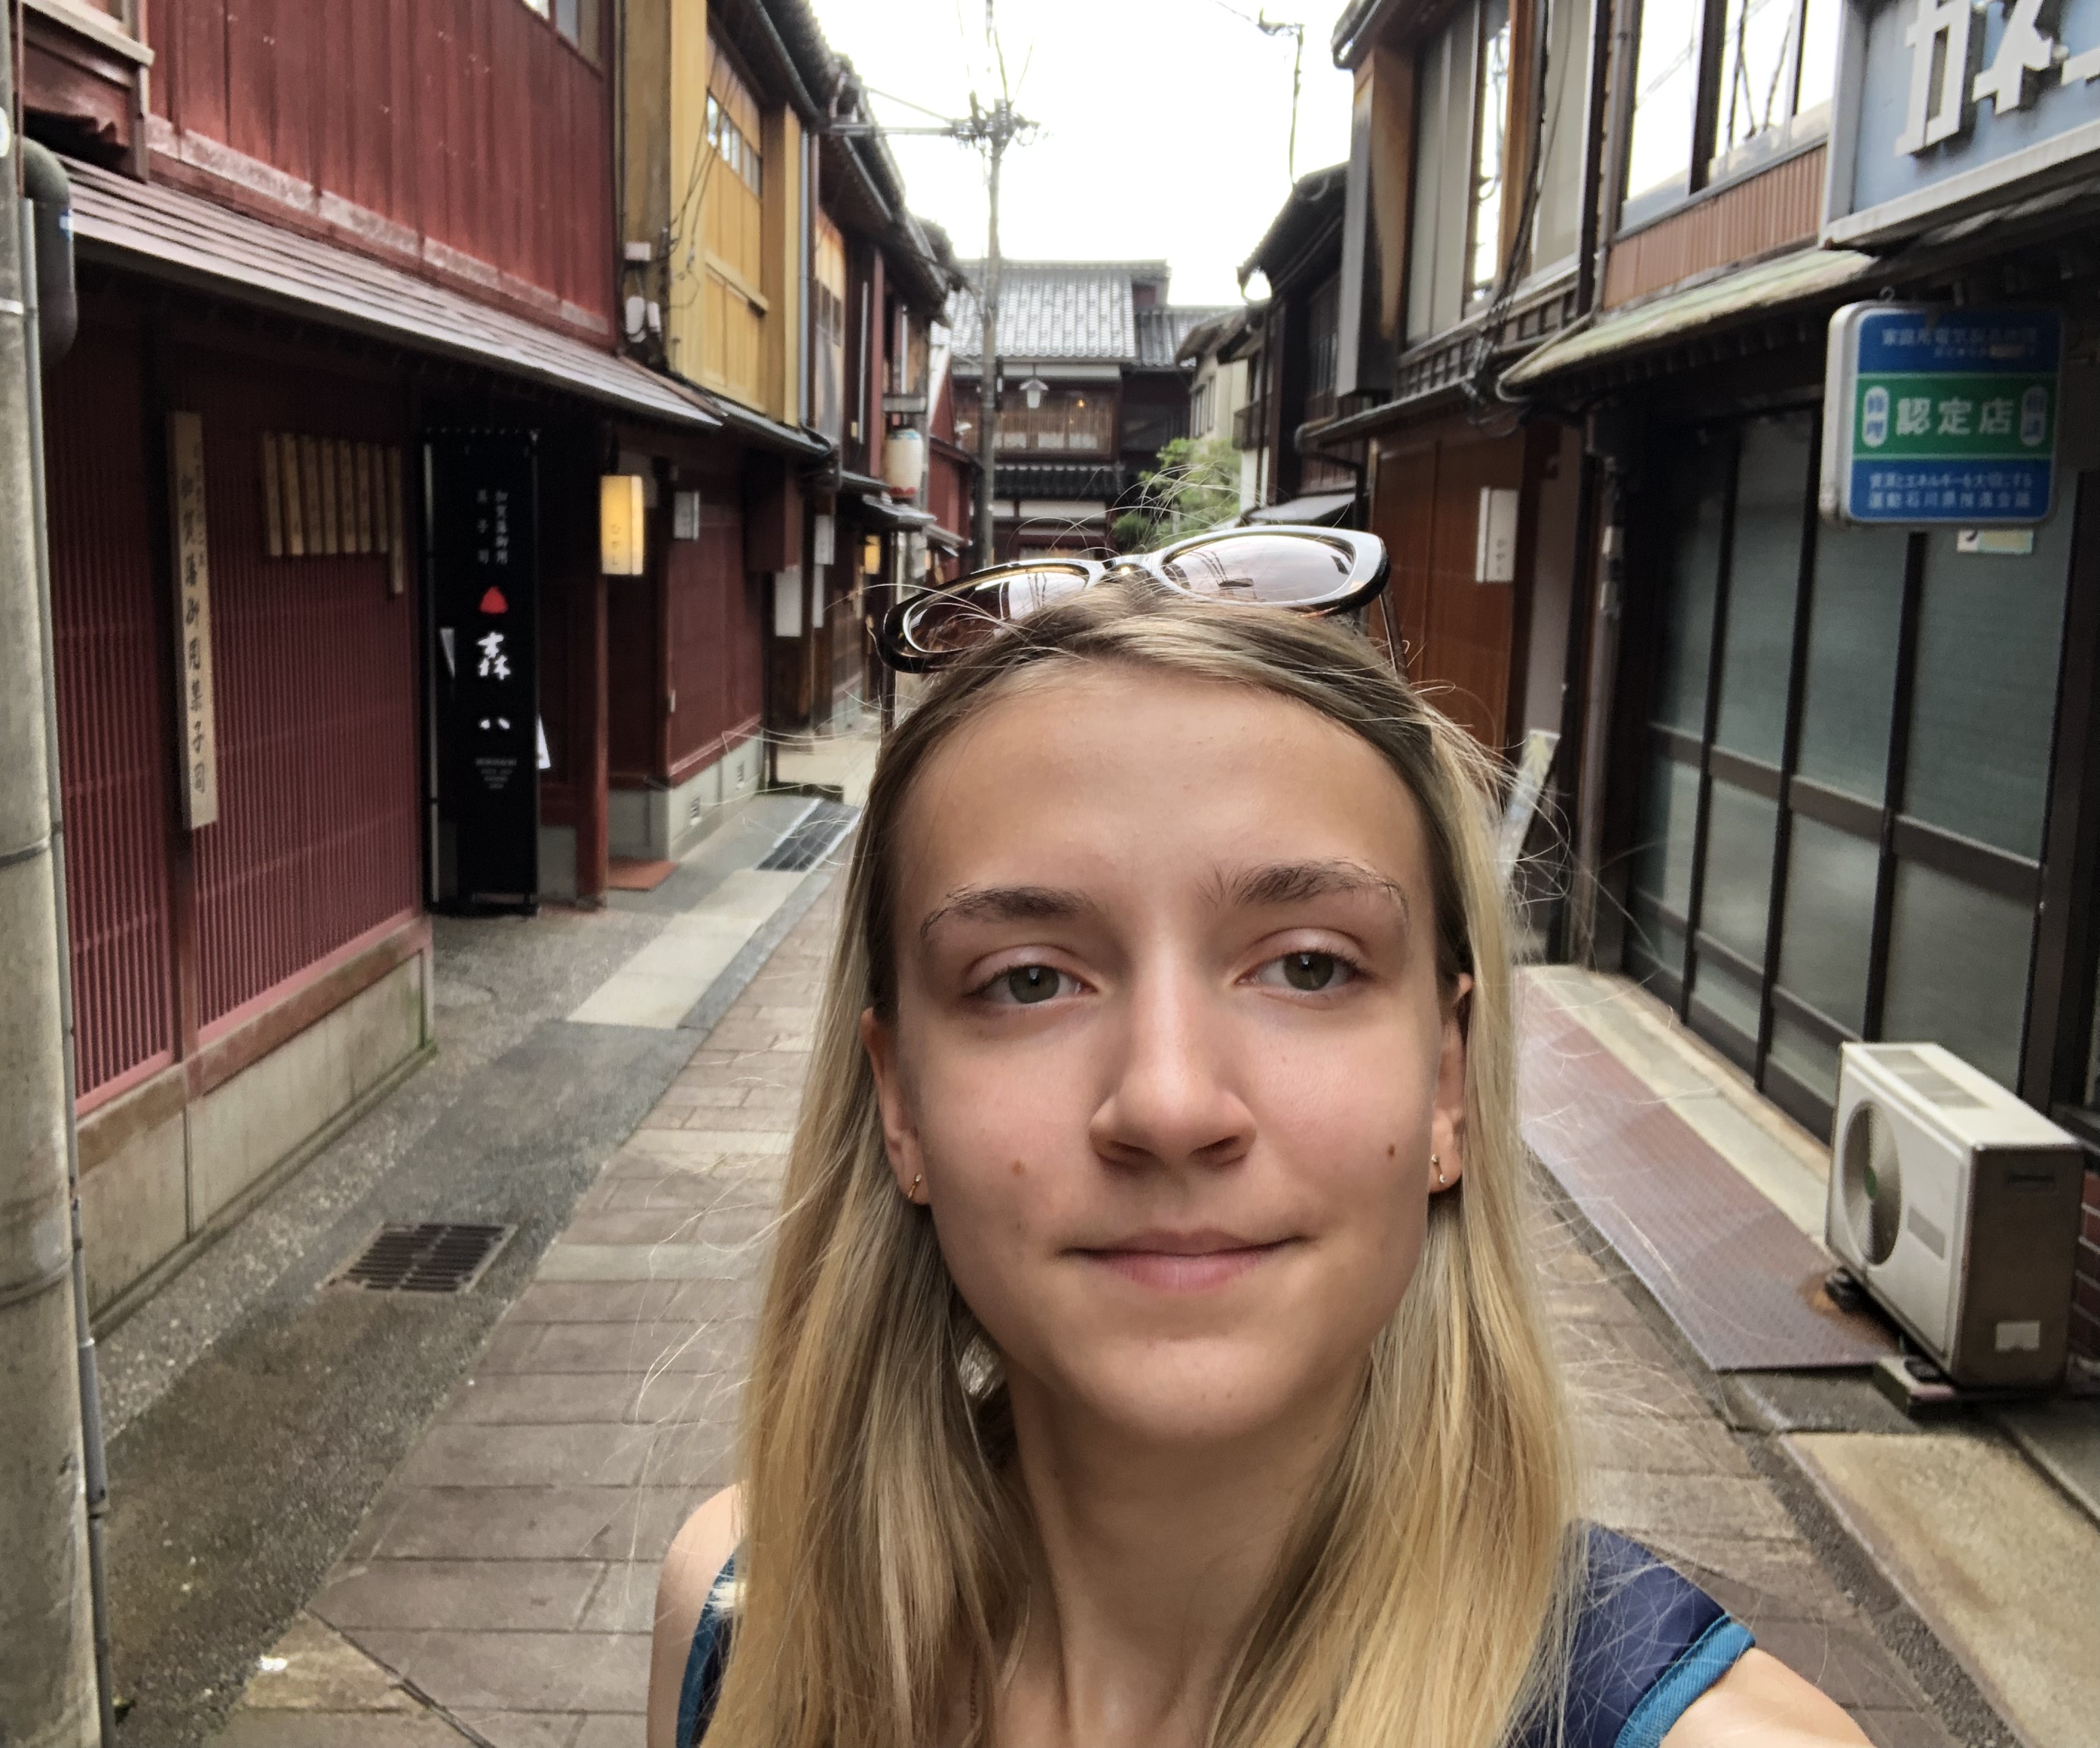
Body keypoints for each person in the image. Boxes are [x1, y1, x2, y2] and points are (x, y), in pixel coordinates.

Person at [646, 542, 1869, 1748]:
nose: (1170, 1104)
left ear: (1448, 1082)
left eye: (1308, 967)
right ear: (899, 1100)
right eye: (1029, 980)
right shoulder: (744, 1630)